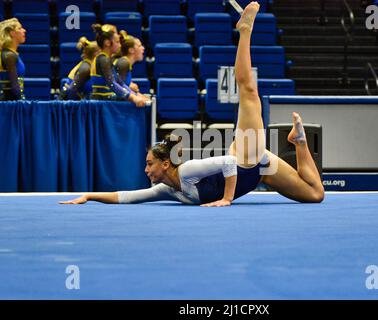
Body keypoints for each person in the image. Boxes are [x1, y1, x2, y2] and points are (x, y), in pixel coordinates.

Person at [60, 2, 324, 207]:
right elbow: (127, 196)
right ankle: (299, 142)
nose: (145, 169)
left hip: (247, 158)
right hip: (260, 169)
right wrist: (89, 196)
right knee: (315, 194)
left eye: (150, 164)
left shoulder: (186, 171)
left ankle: (245, 32)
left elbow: (230, 165)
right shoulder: (167, 190)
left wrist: (227, 199)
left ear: (165, 165)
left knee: (249, 92)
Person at [89, 24, 149, 107]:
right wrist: (133, 98)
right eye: (117, 42)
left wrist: (134, 95)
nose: (120, 45)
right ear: (107, 43)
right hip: (100, 103)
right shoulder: (103, 59)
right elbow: (112, 84)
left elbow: (120, 82)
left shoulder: (106, 59)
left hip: (104, 101)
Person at [0, 18, 26, 101]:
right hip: (8, 105)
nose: (24, 30)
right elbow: (15, 88)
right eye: (20, 28)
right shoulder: (9, 56)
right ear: (12, 33)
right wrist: (22, 103)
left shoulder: (12, 54)